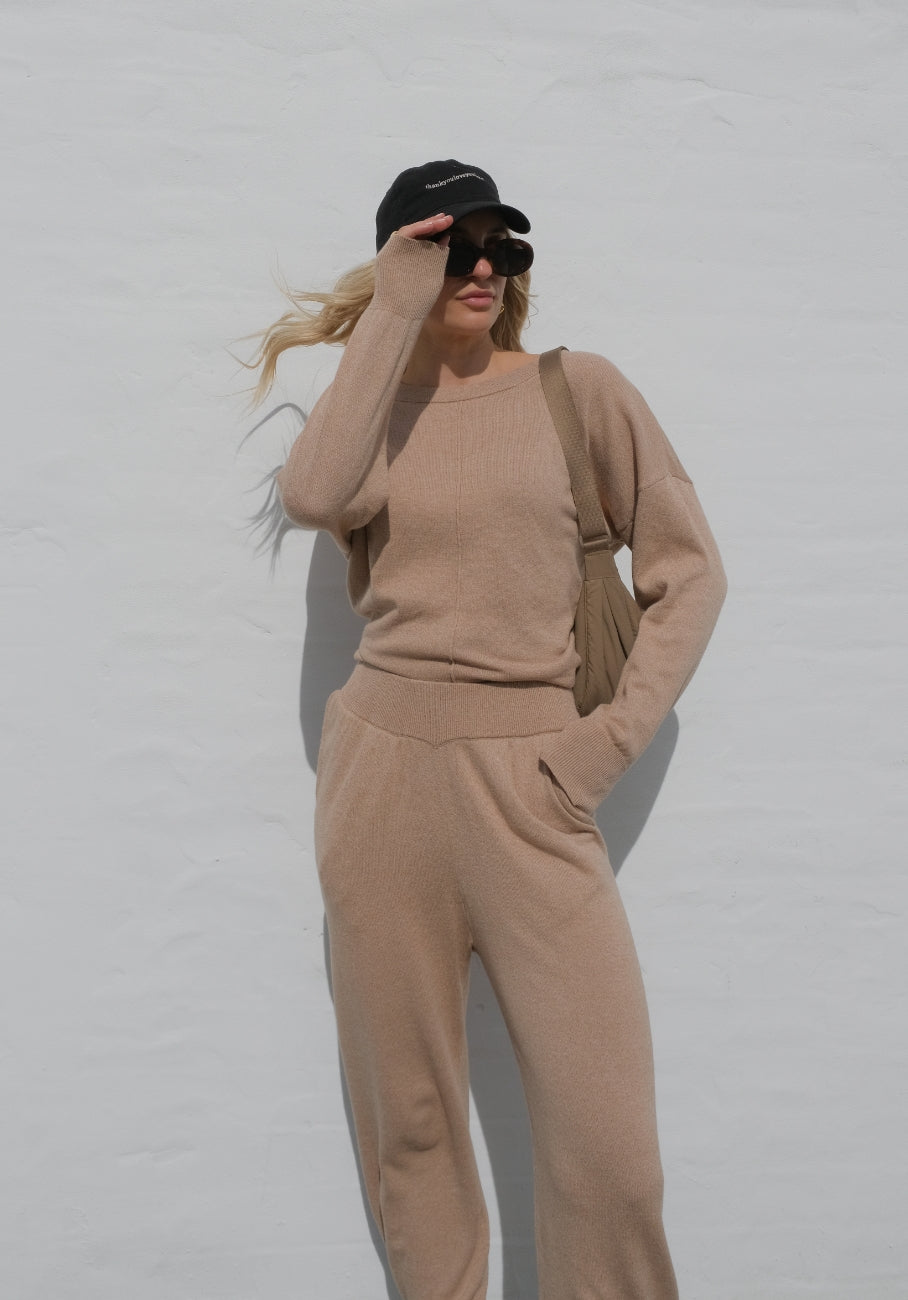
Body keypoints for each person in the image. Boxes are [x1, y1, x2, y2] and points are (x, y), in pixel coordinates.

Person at [246, 159, 727, 1300]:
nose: (480, 267)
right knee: (411, 1128)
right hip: (381, 782)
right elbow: (314, 497)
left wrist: (597, 752)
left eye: (500, 245)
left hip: (535, 783)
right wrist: (390, 312)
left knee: (610, 1156)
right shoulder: (373, 416)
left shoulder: (578, 389)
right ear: (400, 266)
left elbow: (690, 575)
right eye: (447, 247)